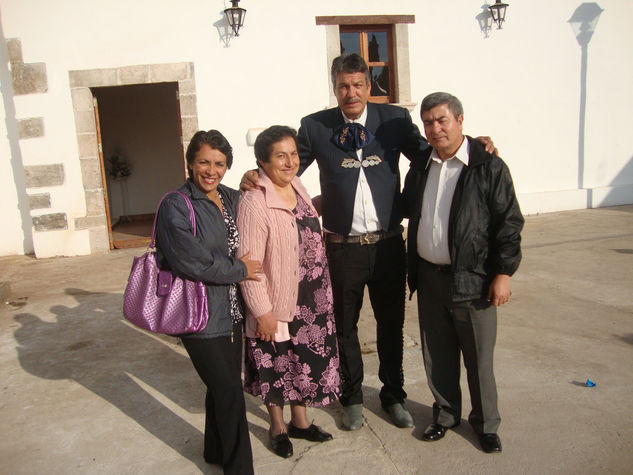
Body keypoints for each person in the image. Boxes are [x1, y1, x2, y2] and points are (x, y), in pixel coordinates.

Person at [240, 53, 496, 431]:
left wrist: (473, 144)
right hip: (342, 248)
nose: (351, 93)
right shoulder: (314, 127)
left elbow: (434, 152)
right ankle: (353, 396)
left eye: (358, 84)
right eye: (343, 86)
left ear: (368, 85)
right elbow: (286, 168)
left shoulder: (393, 119)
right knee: (344, 328)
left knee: (390, 325)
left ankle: (393, 395)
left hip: (389, 244)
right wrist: (255, 172)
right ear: (334, 87)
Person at [403, 92, 524, 453]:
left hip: (474, 281)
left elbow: (508, 223)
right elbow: (408, 207)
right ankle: (445, 415)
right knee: (437, 354)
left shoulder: (487, 166)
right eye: (428, 122)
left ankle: (486, 424)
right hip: (429, 277)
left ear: (460, 120)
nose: (435, 128)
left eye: (442, 120)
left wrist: (503, 273)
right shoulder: (422, 163)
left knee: (478, 359)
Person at [155, 129, 262, 474]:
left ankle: (214, 450)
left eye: (219, 163)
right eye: (204, 161)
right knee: (229, 389)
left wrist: (256, 177)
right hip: (198, 315)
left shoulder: (231, 198)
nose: (211, 170)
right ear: (190, 162)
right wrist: (241, 268)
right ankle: (239, 468)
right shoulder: (177, 204)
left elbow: (261, 203)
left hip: (231, 311)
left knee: (221, 385)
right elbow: (193, 262)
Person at [237, 126, 340, 459]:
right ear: (262, 162)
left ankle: (300, 421)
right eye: (280, 155)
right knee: (277, 364)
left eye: (294, 154)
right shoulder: (254, 201)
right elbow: (248, 263)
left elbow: (305, 221)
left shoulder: (297, 185)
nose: (290, 161)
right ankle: (277, 426)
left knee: (304, 364)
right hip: (278, 298)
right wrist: (261, 311)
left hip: (312, 297)